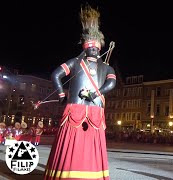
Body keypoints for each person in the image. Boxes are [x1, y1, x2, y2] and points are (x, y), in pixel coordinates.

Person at [44, 4, 117, 180]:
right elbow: (111, 84)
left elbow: (56, 75)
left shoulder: (76, 62)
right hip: (95, 111)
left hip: (75, 109)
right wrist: (96, 93)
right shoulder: (106, 67)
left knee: (72, 145)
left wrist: (62, 95)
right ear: (98, 48)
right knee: (91, 147)